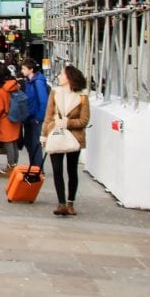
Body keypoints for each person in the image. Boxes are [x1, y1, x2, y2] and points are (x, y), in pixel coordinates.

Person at [42, 64, 91, 216]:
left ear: (69, 78)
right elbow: (48, 115)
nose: (59, 76)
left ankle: (70, 202)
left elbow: (84, 120)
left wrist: (68, 123)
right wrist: (44, 135)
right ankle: (61, 203)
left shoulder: (82, 97)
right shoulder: (55, 93)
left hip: (73, 137)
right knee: (57, 170)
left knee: (72, 170)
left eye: (62, 74)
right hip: (56, 134)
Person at [0, 65, 22, 176]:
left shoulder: (1, 90)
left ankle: (11, 167)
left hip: (5, 119)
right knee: (13, 143)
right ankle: (14, 165)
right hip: (16, 117)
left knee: (8, 143)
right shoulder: (15, 86)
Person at [22, 58, 50, 169]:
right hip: (29, 116)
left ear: (31, 69)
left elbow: (43, 101)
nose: (22, 71)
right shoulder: (29, 81)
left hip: (35, 117)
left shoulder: (38, 82)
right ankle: (33, 167)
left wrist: (39, 117)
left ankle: (37, 168)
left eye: (24, 68)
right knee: (29, 143)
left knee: (35, 144)